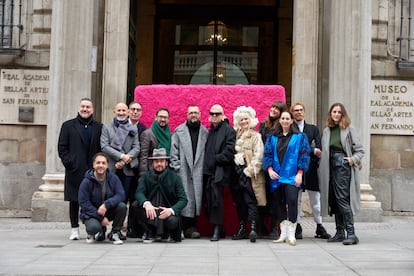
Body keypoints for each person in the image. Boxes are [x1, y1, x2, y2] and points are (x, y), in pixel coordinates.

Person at [319, 103, 365, 245]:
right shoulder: (327, 130)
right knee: (333, 198)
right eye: (334, 111)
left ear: (343, 114)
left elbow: (360, 150)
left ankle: (351, 233)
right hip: (329, 165)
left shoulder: (349, 129)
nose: (337, 114)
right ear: (331, 114)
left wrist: (352, 160)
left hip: (342, 165)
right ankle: (340, 232)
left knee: (342, 198)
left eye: (339, 112)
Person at [263, 110, 310, 246]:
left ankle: (291, 234)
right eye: (282, 118)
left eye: (287, 118)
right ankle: (283, 233)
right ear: (280, 121)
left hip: (292, 176)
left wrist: (300, 173)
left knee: (292, 200)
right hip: (276, 176)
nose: (284, 121)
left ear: (291, 121)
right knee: (278, 203)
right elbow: (267, 155)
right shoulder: (272, 138)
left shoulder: (300, 137)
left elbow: (304, 155)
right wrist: (269, 169)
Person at [58, 98, 102, 240]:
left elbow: (101, 148)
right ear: (79, 108)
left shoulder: (98, 127)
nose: (85, 109)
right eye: (83, 106)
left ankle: (93, 228)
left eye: (88, 107)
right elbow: (62, 147)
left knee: (94, 199)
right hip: (74, 170)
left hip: (93, 171)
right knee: (74, 200)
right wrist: (70, 163)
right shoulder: (68, 126)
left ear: (92, 109)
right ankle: (74, 229)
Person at [291, 102, 331, 240]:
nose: (298, 112)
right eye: (295, 110)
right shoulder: (290, 129)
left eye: (301, 110)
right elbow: (292, 149)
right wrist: (311, 149)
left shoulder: (313, 129)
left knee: (315, 199)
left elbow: (320, 149)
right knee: (296, 200)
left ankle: (319, 225)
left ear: (304, 112)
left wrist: (313, 150)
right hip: (295, 169)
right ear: (292, 113)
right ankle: (297, 226)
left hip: (311, 168)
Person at [101, 102, 140, 239]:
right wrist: (121, 156)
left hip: (126, 171)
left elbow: (137, 148)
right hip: (111, 170)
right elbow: (104, 146)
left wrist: (124, 161)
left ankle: (117, 230)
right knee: (107, 199)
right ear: (114, 112)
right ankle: (102, 229)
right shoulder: (107, 127)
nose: (121, 112)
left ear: (128, 112)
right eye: (119, 110)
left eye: (124, 110)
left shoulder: (132, 129)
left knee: (122, 202)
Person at [170, 104, 208, 239]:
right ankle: (183, 227)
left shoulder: (205, 132)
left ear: (200, 114)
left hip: (199, 172)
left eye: (196, 113)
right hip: (183, 171)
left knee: (196, 199)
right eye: (191, 113)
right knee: (183, 198)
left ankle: (192, 227)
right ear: (187, 115)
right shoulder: (178, 131)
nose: (193, 115)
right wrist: (177, 168)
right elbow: (173, 152)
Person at [134, 148, 188, 243]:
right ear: (152, 163)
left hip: (167, 213)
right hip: (151, 212)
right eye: (156, 161)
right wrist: (146, 204)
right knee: (135, 205)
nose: (159, 164)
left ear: (166, 163)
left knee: (172, 221)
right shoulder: (146, 176)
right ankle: (149, 231)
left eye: (162, 161)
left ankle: (167, 233)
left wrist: (171, 210)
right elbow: (139, 193)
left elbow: (183, 199)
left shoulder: (175, 177)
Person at [231, 106, 266, 243]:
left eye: (246, 119)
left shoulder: (256, 136)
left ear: (250, 120)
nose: (244, 122)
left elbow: (259, 155)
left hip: (250, 175)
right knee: (239, 202)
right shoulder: (235, 136)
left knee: (251, 201)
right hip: (237, 174)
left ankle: (253, 228)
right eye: (241, 120)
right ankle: (242, 228)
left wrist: (249, 171)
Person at [203, 104, 236, 241]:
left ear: (223, 115)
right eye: (212, 113)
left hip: (220, 171)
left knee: (217, 200)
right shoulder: (210, 131)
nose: (215, 116)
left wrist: (216, 159)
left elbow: (229, 150)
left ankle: (217, 228)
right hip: (208, 171)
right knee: (209, 200)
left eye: (217, 114)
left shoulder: (228, 130)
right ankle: (219, 227)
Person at [78, 152, 127, 245]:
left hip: (107, 210)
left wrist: (106, 204)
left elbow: (120, 195)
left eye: (103, 163)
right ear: (93, 165)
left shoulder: (113, 178)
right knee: (93, 227)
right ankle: (93, 233)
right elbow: (84, 203)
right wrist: (100, 218)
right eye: (98, 163)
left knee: (122, 207)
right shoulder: (86, 181)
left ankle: (115, 233)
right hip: (92, 213)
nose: (101, 165)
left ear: (107, 165)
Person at [258, 101, 288, 239]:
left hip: (277, 167)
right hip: (264, 165)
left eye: (277, 109)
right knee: (263, 197)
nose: (274, 110)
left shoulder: (282, 126)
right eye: (273, 107)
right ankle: (261, 226)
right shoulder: (263, 125)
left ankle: (275, 228)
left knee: (276, 198)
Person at [126, 101, 147, 238]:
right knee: (122, 199)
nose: (135, 112)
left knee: (135, 199)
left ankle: (132, 228)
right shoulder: (121, 126)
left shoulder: (143, 129)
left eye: (138, 110)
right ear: (128, 111)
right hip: (122, 169)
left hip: (137, 170)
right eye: (133, 109)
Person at [139, 108, 171, 177]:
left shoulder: (170, 135)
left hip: (166, 172)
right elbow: (143, 156)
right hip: (151, 172)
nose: (163, 119)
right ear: (156, 117)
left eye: (165, 117)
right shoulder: (147, 134)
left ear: (168, 119)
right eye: (160, 117)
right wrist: (143, 175)